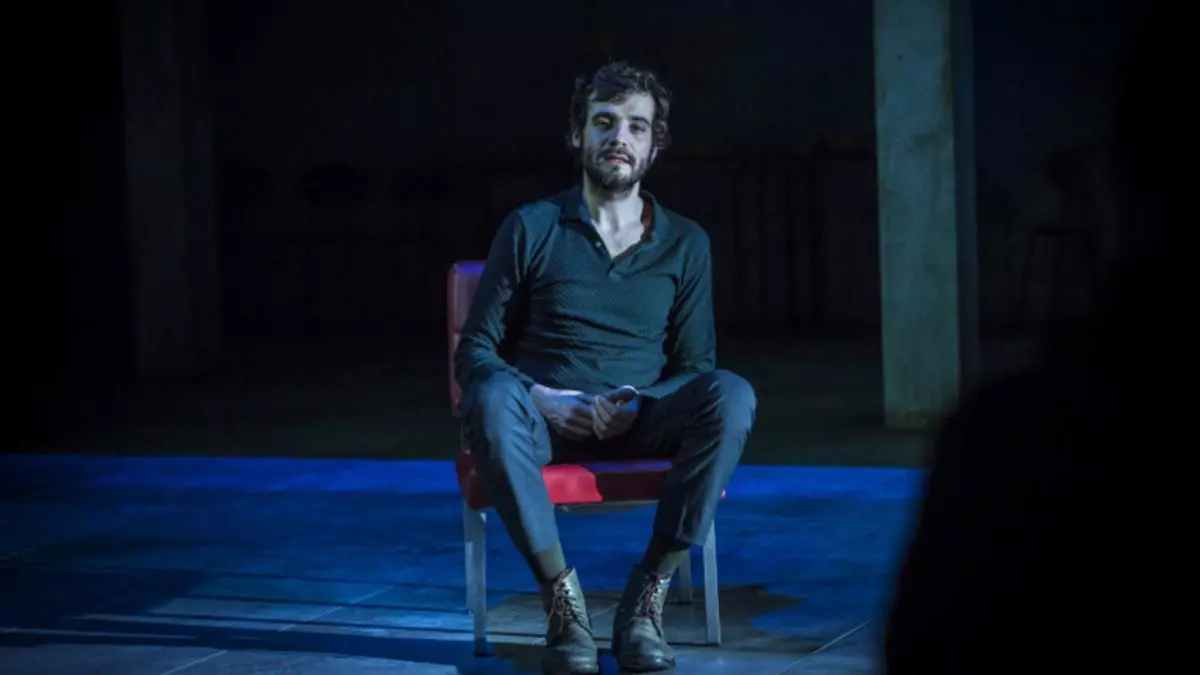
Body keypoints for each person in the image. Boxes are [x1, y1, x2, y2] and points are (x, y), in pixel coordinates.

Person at [453, 61, 756, 674]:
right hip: (544, 423)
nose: (620, 137)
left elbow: (696, 364)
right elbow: (475, 352)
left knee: (731, 394)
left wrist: (639, 404)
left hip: (640, 417)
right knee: (490, 398)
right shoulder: (532, 226)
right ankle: (563, 606)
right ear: (578, 134)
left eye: (637, 126)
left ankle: (645, 603)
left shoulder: (686, 242)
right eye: (605, 122)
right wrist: (542, 397)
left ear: (655, 145)